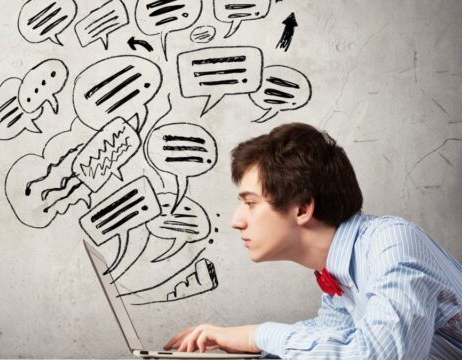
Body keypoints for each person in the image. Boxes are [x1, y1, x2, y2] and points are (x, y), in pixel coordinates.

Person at [163, 122, 462, 359]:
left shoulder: (392, 242)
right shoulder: (336, 273)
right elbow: (332, 340)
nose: (236, 220)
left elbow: (380, 355)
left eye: (251, 203)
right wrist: (248, 347)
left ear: (303, 208)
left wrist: (256, 335)